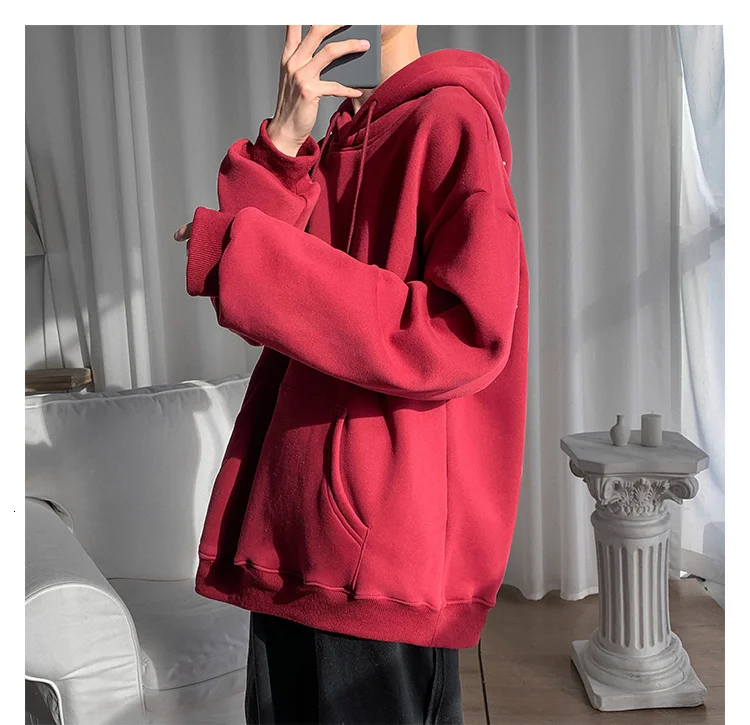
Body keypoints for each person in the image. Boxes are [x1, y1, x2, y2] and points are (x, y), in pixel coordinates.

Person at [174, 24, 528, 725]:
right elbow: (259, 300)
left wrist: (244, 256)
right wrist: (282, 139)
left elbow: (467, 329)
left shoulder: (451, 119)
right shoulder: (343, 132)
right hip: (287, 530)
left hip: (373, 555)